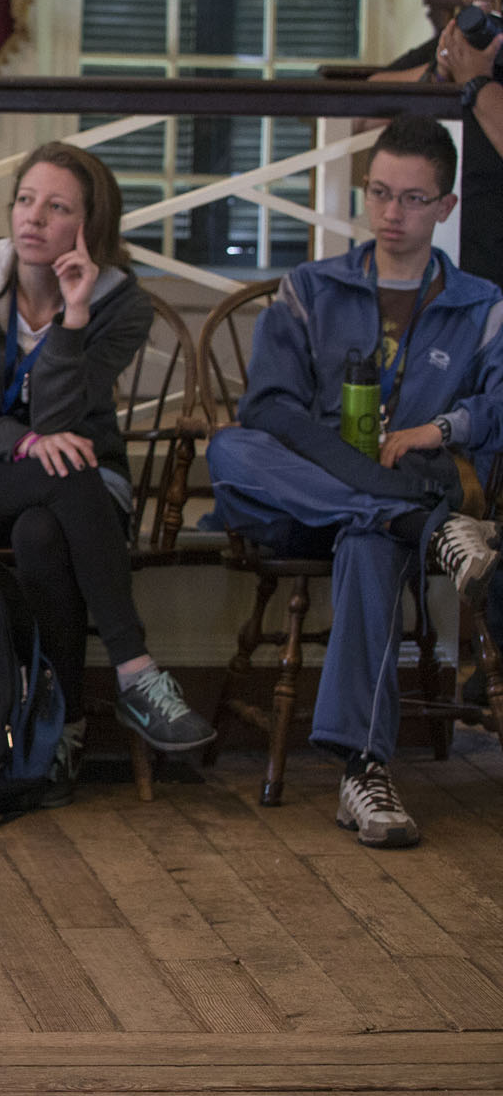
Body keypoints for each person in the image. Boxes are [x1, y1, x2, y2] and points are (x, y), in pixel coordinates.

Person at [206, 115, 503, 849]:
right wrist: (366, 482)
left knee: (368, 541)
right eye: (378, 193)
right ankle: (414, 527)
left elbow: (499, 406)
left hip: (404, 498)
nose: (391, 214)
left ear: (445, 207)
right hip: (307, 500)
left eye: (411, 198)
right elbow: (269, 407)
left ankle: (362, 773)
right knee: (233, 447)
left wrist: (442, 430)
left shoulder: (482, 305)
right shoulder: (312, 286)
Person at [0, 143, 214, 804]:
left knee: (41, 536)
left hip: (82, 487)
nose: (32, 219)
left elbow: (65, 413)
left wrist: (74, 313)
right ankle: (137, 673)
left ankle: (67, 724)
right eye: (26, 201)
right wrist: (25, 443)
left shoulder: (122, 304)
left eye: (57, 209)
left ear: (91, 227)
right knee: (59, 469)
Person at [372, 0, 503, 288]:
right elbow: (362, 113)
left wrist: (477, 82)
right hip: (452, 262)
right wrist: (436, 74)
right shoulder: (458, 43)